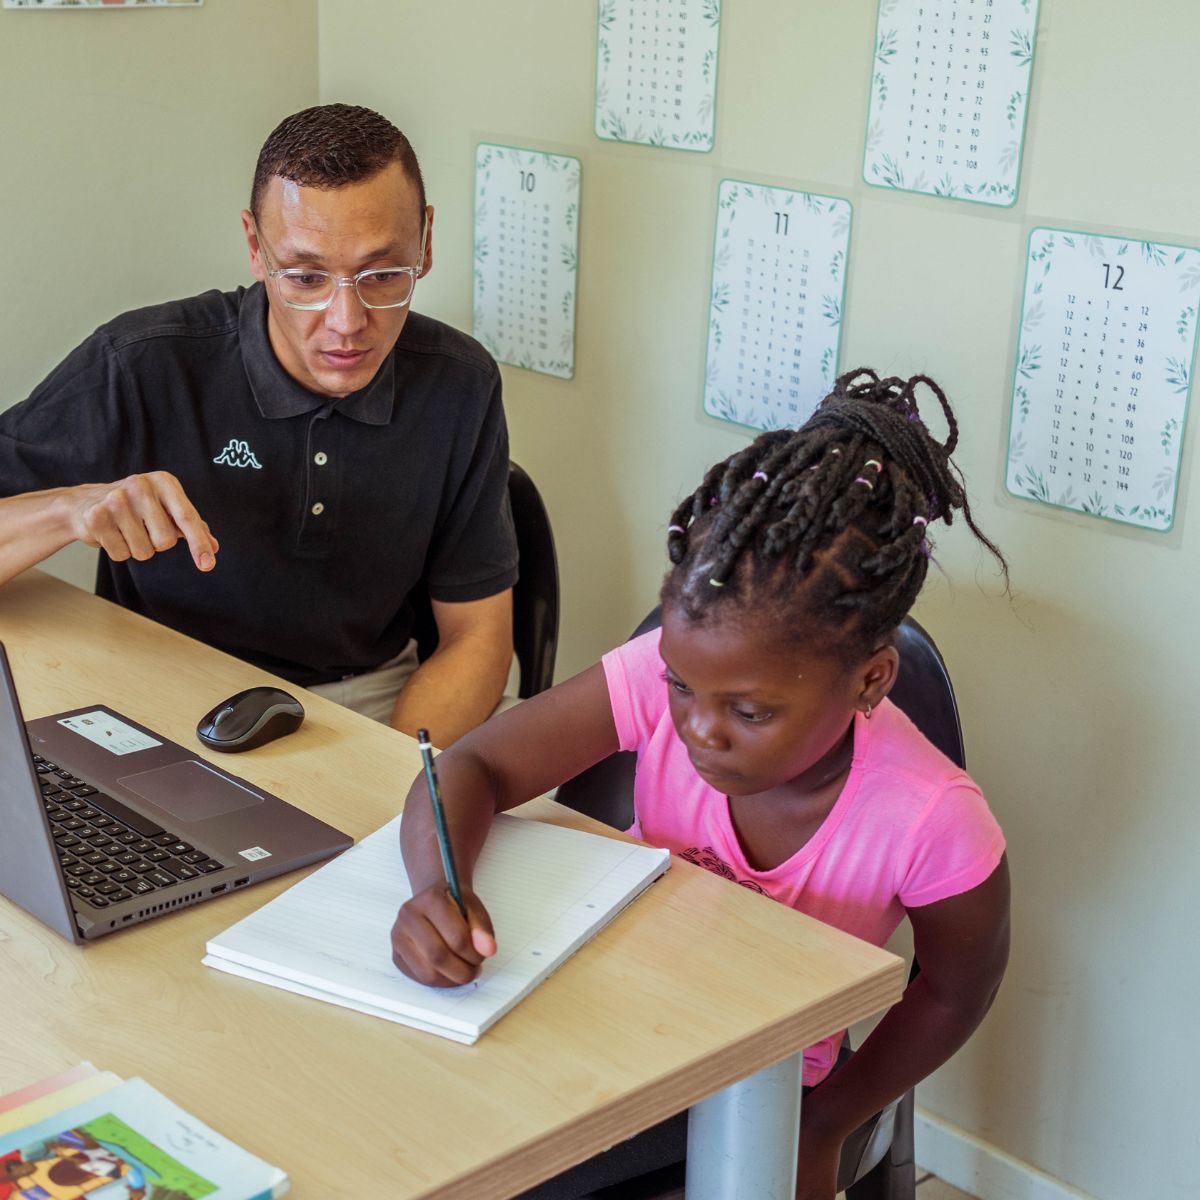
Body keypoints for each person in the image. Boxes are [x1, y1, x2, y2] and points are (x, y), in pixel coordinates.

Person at [390, 368, 1011, 1200]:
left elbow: (954, 989)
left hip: (753, 1084)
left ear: (870, 681)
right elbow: (476, 765)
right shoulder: (659, 677)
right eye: (682, 685)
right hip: (606, 1015)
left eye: (749, 712)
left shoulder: (934, 820)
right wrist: (439, 886)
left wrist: (827, 1120)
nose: (697, 727)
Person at [0, 104, 517, 747]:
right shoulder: (142, 363)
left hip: (372, 697)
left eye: (383, 275)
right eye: (305, 278)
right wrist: (69, 510)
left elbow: (479, 635)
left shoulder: (460, 384)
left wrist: (397, 783)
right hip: (159, 687)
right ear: (254, 247)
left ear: (426, 243)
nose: (347, 321)